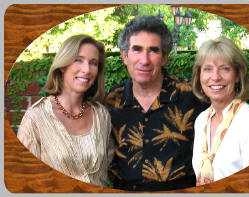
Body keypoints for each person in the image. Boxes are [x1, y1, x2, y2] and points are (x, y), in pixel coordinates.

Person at [104, 15, 208, 191]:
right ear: (124, 56)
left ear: (164, 57)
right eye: (137, 49)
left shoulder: (192, 96)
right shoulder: (111, 101)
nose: (144, 60)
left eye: (153, 50)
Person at [17, 34, 113, 187]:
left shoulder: (101, 115)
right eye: (78, 60)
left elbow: (106, 168)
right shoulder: (35, 118)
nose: (87, 70)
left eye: (93, 63)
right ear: (63, 65)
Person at [191, 37, 249, 186]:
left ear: (237, 76)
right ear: (200, 76)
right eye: (208, 69)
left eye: (224, 68)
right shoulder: (201, 121)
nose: (215, 77)